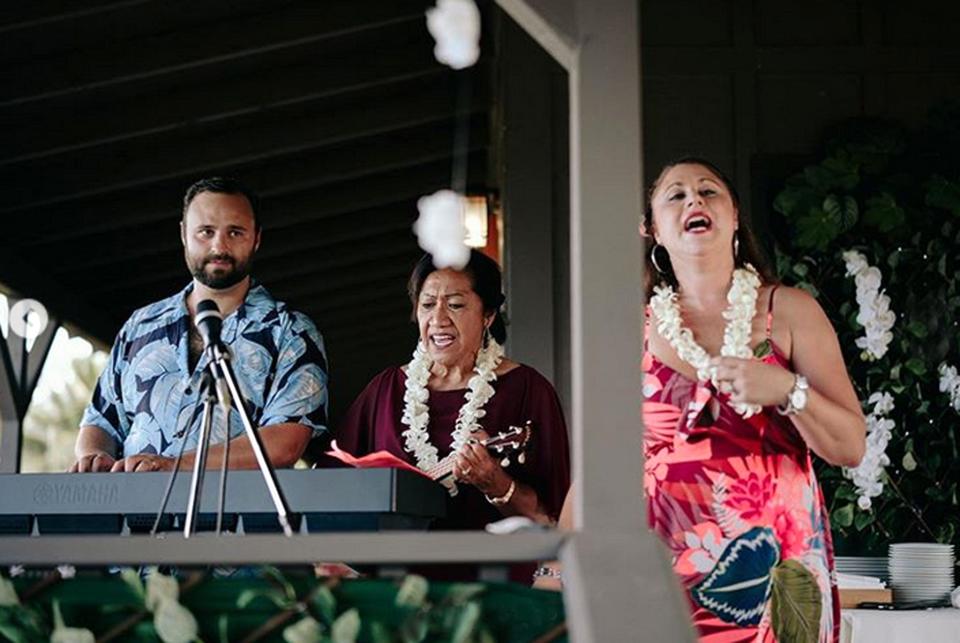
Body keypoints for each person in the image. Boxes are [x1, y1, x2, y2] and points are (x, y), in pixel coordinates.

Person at [538, 158, 866, 643]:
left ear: (734, 217)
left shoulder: (790, 311)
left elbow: (850, 447)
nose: (694, 200)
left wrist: (786, 391)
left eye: (708, 191)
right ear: (651, 230)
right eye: (676, 195)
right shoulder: (631, 331)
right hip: (658, 566)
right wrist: (553, 573)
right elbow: (602, 467)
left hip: (775, 567)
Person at [324, 250, 570, 578]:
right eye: (427, 304)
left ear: (488, 315)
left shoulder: (527, 389)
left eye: (455, 304)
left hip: (493, 585)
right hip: (395, 586)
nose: (438, 318)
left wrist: (495, 482)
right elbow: (329, 482)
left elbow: (548, 519)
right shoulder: (386, 389)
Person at [71, 177, 329, 474]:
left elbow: (285, 443)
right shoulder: (139, 326)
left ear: (257, 238)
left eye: (235, 232)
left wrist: (175, 466)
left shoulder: (291, 332)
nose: (219, 246)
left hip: (237, 517)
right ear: (183, 234)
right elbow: (101, 421)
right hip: (136, 516)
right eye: (206, 232)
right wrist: (94, 455)